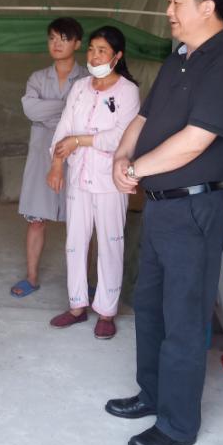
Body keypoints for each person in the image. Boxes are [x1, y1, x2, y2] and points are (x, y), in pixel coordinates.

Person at [106, 0, 223, 445]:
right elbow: (142, 118)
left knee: (185, 318)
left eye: (176, 1)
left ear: (207, 6)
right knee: (150, 307)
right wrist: (121, 158)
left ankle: (177, 424)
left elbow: (195, 141)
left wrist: (136, 169)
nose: (168, 10)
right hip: (161, 207)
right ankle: (151, 395)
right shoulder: (179, 59)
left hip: (196, 208)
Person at [47, 25, 140, 339]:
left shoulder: (127, 91)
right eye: (91, 49)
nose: (95, 56)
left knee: (111, 243)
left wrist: (80, 141)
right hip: (78, 177)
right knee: (75, 243)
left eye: (102, 51)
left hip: (111, 180)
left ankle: (107, 311)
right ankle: (76, 306)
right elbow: (64, 128)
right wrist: (57, 164)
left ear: (117, 56)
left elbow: (122, 136)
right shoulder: (80, 87)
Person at [10, 17, 88, 298]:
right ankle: (31, 277)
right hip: (42, 151)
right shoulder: (37, 77)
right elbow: (30, 110)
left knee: (81, 222)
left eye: (64, 39)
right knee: (36, 219)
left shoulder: (88, 79)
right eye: (52, 38)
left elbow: (87, 116)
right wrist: (67, 108)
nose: (56, 44)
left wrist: (51, 111)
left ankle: (82, 282)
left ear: (77, 44)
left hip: (78, 152)